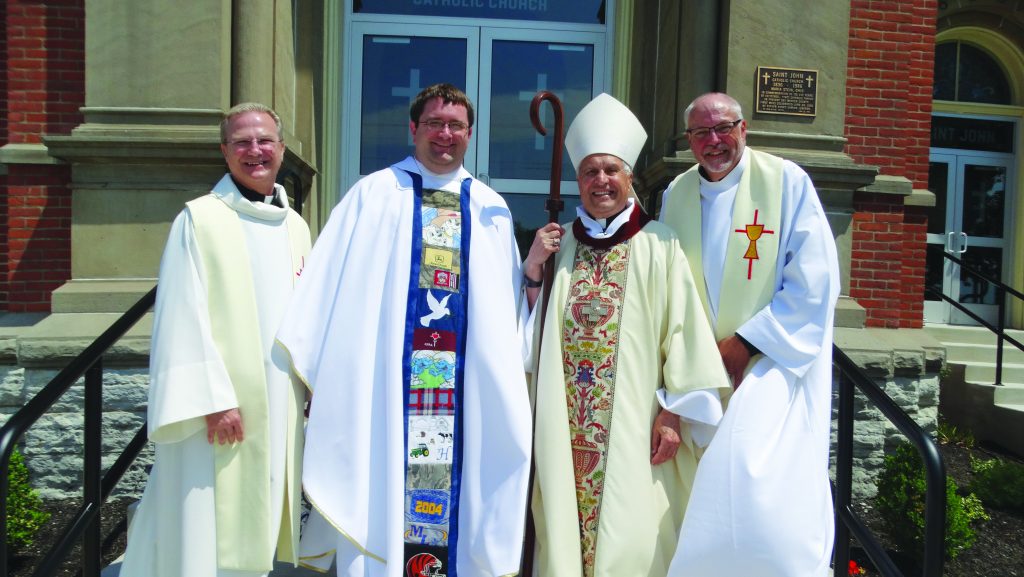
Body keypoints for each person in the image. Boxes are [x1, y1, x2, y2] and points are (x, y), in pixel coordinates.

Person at [275, 83, 532, 577]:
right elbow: (328, 292)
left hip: (463, 398)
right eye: (434, 123)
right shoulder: (372, 195)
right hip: (386, 396)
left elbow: (506, 314)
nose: (445, 135)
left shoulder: (489, 208)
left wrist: (536, 273)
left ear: (470, 134)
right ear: (412, 128)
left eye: (456, 126)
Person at [523, 93, 730, 577]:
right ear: (579, 180)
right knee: (560, 529)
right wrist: (533, 269)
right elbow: (533, 334)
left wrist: (673, 414)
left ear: (628, 178)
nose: (601, 182)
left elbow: (685, 335)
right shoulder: (560, 244)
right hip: (564, 422)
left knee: (636, 535)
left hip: (637, 428)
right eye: (590, 171)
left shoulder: (659, 242)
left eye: (611, 171)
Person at [120, 103, 311, 577]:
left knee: (262, 509)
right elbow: (181, 313)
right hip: (224, 407)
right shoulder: (199, 219)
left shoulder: (297, 227)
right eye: (241, 142)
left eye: (264, 140)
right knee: (205, 520)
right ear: (225, 152)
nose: (255, 151)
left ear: (282, 149)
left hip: (280, 401)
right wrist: (214, 399)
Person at [660, 92, 841, 577]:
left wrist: (743, 346)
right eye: (701, 133)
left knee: (755, 491)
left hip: (768, 365)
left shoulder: (785, 182)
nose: (714, 141)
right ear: (689, 140)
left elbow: (815, 281)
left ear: (744, 130)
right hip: (697, 370)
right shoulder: (675, 194)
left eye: (724, 128)